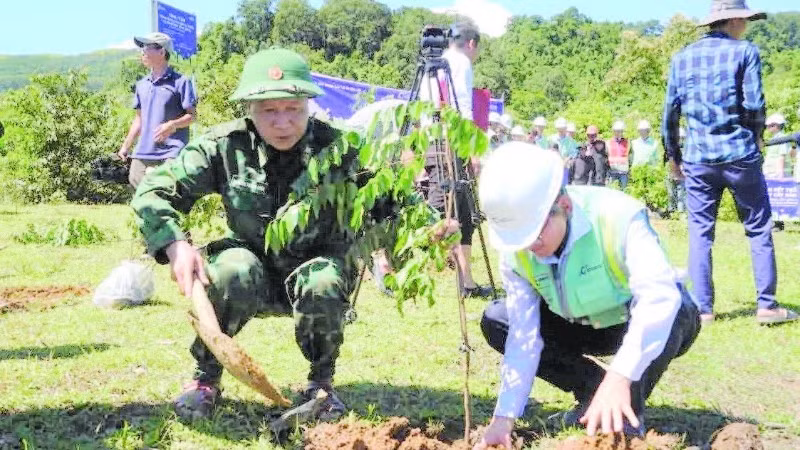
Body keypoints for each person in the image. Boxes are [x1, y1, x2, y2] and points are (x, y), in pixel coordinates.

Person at [130, 48, 452, 420]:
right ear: (249, 108)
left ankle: (321, 386)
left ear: (308, 105)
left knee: (323, 279)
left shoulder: (341, 149)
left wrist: (432, 225)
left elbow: (394, 198)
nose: (283, 122)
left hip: (316, 270)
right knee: (230, 270)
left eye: (293, 109)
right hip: (252, 271)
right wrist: (175, 244)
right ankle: (206, 378)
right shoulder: (225, 146)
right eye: (269, 110)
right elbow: (154, 190)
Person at [473, 143, 700, 449]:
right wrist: (504, 418)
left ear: (564, 206)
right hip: (574, 325)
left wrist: (620, 376)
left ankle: (625, 408)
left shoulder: (618, 216)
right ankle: (594, 390)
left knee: (676, 303)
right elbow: (523, 337)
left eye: (535, 234)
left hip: (627, 322)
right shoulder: (517, 252)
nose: (529, 246)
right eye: (520, 239)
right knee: (498, 320)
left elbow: (659, 297)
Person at [662, 0, 797, 324]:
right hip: (740, 154)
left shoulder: (682, 58)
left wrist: (673, 156)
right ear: (734, 20)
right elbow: (754, 103)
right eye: (745, 20)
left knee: (700, 232)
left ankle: (703, 309)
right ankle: (766, 306)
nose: (747, 26)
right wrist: (756, 138)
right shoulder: (745, 52)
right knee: (758, 228)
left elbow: (670, 113)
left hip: (697, 158)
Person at [417, 22, 493, 298]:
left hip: (432, 140)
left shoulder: (431, 63)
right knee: (444, 210)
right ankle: (400, 259)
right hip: (451, 141)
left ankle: (467, 281)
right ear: (472, 44)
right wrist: (472, 151)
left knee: (463, 214)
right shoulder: (460, 62)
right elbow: (463, 108)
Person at [119, 32, 197, 189]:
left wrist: (172, 125)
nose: (142, 51)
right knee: (137, 185)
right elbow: (139, 120)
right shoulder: (141, 85)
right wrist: (126, 146)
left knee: (166, 190)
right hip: (144, 151)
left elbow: (192, 116)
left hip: (171, 152)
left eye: (147, 47)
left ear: (162, 52)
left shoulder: (181, 82)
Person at [665, 128, 687, 216]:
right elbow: (667, 161)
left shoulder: (686, 149)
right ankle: (671, 212)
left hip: (682, 175)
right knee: (671, 194)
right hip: (671, 174)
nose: (680, 139)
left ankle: (680, 212)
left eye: (681, 138)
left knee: (681, 195)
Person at [607, 121, 631, 189]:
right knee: (611, 191)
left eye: (620, 131)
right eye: (616, 131)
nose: (618, 133)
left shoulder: (627, 142)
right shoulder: (608, 142)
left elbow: (630, 156)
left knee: (624, 191)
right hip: (612, 172)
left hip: (624, 172)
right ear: (613, 131)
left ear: (622, 131)